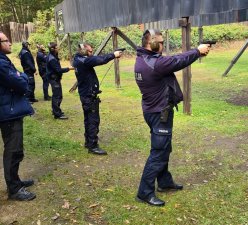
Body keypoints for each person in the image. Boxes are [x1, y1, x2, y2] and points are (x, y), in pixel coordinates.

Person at [134, 29, 210, 206]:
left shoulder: (143, 58)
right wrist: (197, 51)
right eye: (160, 42)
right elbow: (176, 61)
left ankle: (165, 181)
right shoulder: (155, 63)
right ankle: (144, 192)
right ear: (152, 43)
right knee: (159, 151)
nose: (162, 45)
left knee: (164, 147)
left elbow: (170, 60)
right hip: (160, 113)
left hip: (154, 111)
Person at [0, 31, 36, 201]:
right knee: (13, 151)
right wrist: (21, 77)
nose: (9, 43)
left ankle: (16, 181)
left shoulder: (4, 60)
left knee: (16, 150)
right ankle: (14, 189)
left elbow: (18, 76)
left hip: (10, 109)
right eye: (5, 40)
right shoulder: (0, 63)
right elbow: (21, 81)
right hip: (8, 113)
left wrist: (20, 76)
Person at [72, 43, 123, 155]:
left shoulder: (77, 59)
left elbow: (96, 58)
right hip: (88, 96)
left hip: (86, 94)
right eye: (90, 51)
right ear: (83, 51)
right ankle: (93, 146)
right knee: (93, 120)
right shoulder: (84, 61)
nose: (91, 53)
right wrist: (114, 55)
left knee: (88, 119)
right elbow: (100, 60)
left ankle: (88, 142)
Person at [46, 42, 74, 119]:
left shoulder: (52, 56)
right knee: (57, 96)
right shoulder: (52, 59)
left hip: (54, 78)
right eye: (57, 47)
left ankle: (55, 110)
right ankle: (57, 114)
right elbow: (58, 70)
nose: (58, 48)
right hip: (54, 79)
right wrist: (69, 68)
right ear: (53, 49)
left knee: (57, 95)